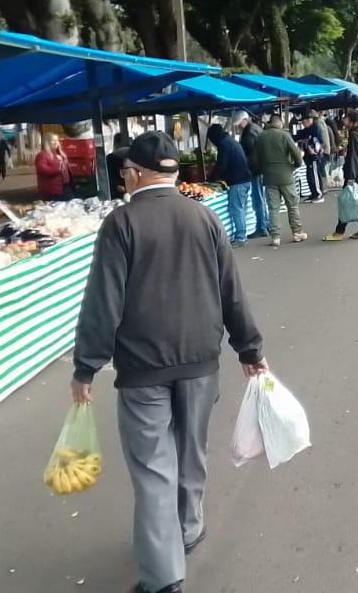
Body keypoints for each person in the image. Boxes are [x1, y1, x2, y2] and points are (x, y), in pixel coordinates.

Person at [70, 132, 267, 593]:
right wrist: (250, 349)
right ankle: (188, 528)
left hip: (143, 368)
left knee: (154, 468)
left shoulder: (121, 224)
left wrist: (86, 366)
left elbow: (103, 301)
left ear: (137, 174)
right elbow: (231, 290)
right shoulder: (204, 217)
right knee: (191, 451)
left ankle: (163, 577)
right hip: (200, 362)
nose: (124, 180)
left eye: (125, 173)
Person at [254, 116, 307, 247]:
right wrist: (294, 166)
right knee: (292, 205)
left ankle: (275, 237)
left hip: (269, 178)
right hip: (286, 176)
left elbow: (256, 159)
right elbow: (296, 155)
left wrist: (264, 170)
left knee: (273, 208)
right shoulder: (284, 135)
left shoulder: (260, 137)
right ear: (280, 124)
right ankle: (297, 232)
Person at [324, 112, 358, 241]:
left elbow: (354, 157)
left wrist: (351, 176)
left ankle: (339, 231)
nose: (344, 120)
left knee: (346, 202)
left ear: (354, 121)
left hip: (356, 175)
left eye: (346, 118)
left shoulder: (355, 135)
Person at [206, 123, 255, 247]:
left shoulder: (224, 145)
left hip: (237, 181)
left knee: (236, 208)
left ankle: (240, 237)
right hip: (245, 179)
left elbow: (222, 165)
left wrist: (211, 179)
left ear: (214, 137)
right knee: (241, 208)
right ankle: (242, 234)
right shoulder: (231, 141)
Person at [233, 112, 268, 238]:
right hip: (259, 168)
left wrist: (247, 165)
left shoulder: (250, 132)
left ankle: (262, 227)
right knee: (260, 198)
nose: (238, 126)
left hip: (255, 170)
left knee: (258, 199)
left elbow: (253, 153)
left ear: (245, 120)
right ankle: (266, 225)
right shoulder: (255, 128)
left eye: (239, 123)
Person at [293, 112, 325, 203]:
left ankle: (318, 194)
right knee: (310, 175)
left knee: (314, 175)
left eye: (304, 121)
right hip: (309, 156)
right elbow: (297, 137)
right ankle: (313, 193)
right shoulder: (306, 130)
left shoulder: (316, 128)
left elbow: (319, 141)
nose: (303, 123)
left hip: (314, 156)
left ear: (308, 120)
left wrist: (307, 141)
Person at [36, 134, 73, 201]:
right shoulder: (42, 155)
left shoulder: (61, 154)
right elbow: (42, 170)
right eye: (53, 140)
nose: (56, 142)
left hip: (66, 187)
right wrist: (59, 168)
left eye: (57, 140)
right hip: (52, 190)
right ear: (47, 142)